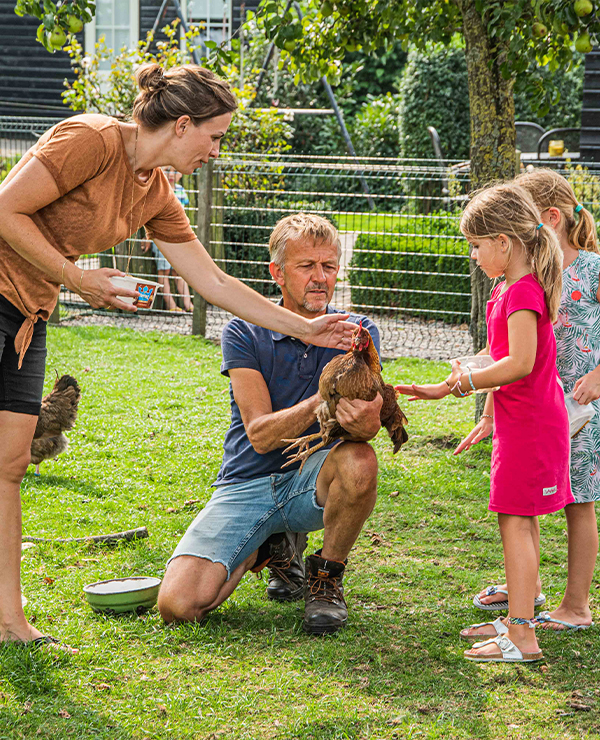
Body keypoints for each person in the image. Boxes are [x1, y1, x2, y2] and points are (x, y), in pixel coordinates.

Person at [0, 65, 356, 648]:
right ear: (183, 124)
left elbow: (212, 281)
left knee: (9, 466)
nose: (216, 151)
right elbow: (5, 208)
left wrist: (307, 329)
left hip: (26, 313)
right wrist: (76, 280)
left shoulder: (155, 192)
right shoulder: (91, 139)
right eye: (214, 137)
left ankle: (9, 623)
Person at [158, 213, 383, 635]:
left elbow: (366, 429)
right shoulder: (244, 331)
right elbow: (260, 435)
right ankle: (266, 544)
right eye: (306, 266)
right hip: (248, 481)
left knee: (361, 461)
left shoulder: (356, 332)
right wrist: (326, 397)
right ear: (277, 273)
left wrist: (367, 420)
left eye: (329, 266)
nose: (320, 278)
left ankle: (326, 579)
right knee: (179, 606)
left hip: (311, 480)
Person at [396, 182, 573, 663]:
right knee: (520, 520)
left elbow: (518, 363)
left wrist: (463, 384)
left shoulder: (522, 292)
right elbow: (496, 355)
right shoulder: (508, 289)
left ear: (504, 243)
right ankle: (522, 614)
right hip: (522, 424)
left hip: (532, 426)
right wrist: (452, 378)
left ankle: (521, 635)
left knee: (516, 522)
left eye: (476, 245)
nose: (473, 255)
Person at [466, 168, 598, 632]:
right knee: (529, 503)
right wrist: (488, 412)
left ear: (547, 218)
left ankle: (576, 605)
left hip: (581, 409)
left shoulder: (589, 269)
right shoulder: (529, 276)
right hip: (537, 406)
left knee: (578, 501)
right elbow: (509, 354)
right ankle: (529, 590)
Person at [142, 167, 193, 312]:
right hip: (161, 238)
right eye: (167, 170)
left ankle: (188, 305)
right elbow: (149, 217)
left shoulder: (181, 191)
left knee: (180, 272)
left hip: (178, 239)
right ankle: (171, 306)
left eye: (175, 171)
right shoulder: (158, 191)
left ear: (181, 173)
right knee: (163, 272)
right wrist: (147, 237)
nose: (171, 174)